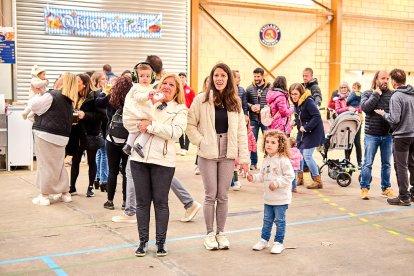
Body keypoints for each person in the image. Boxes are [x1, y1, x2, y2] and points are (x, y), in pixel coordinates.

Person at [123, 73, 188, 257]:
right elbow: (133, 123)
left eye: (172, 85)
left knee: (160, 203)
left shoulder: (181, 109)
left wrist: (151, 126)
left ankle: (161, 242)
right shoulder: (148, 102)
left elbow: (175, 132)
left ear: (177, 90)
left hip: (163, 162)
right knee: (142, 203)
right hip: (138, 159)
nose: (167, 86)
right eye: (164, 83)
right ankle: (142, 242)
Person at [187, 63, 249, 250]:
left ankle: (221, 232)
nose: (219, 79)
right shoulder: (201, 100)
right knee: (210, 195)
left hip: (227, 154)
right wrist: (202, 141)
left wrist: (244, 158)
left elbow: (240, 132)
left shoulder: (235, 101)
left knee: (223, 196)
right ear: (211, 78)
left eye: (223, 75)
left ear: (229, 78)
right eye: (216, 75)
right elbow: (190, 125)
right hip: (207, 152)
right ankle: (209, 234)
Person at [31, 72, 77, 205]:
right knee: (59, 166)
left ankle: (44, 195)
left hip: (45, 134)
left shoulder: (52, 95)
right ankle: (65, 193)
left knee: (45, 165)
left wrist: (38, 93)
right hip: (62, 136)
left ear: (63, 81)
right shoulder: (69, 99)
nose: (57, 78)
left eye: (60, 76)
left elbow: (35, 107)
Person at [247, 130, 294, 254]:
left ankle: (278, 242)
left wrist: (277, 183)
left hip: (281, 199)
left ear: (280, 145)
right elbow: (262, 175)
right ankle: (264, 240)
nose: (269, 144)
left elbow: (290, 176)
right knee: (267, 220)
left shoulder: (283, 160)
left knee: (279, 221)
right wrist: (253, 178)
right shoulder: (266, 159)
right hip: (268, 198)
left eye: (273, 142)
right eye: (267, 142)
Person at [375, 69, 414, 206]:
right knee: (412, 164)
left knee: (402, 167)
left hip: (402, 137)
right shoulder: (412, 94)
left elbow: (394, 119)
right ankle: (413, 192)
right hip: (413, 134)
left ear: (394, 81)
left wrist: (383, 114)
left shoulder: (397, 96)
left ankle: (404, 196)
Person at [95, 75, 132, 210]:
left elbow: (98, 102)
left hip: (112, 138)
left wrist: (105, 91)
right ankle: (125, 202)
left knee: (113, 171)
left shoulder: (111, 97)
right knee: (127, 172)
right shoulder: (132, 99)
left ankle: (110, 201)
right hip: (128, 139)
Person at [66, 73, 106, 197]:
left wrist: (86, 115)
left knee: (91, 160)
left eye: (77, 82)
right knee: (75, 160)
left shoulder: (95, 96)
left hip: (91, 133)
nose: (75, 84)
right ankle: (72, 187)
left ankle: (90, 187)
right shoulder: (73, 96)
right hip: (76, 133)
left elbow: (102, 115)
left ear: (84, 84)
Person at [359, 71, 395, 200]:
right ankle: (364, 188)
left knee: (386, 164)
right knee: (368, 163)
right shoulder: (368, 93)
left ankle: (386, 188)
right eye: (383, 78)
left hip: (387, 136)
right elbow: (365, 108)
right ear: (376, 80)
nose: (385, 81)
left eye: (387, 78)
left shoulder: (392, 94)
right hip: (371, 135)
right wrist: (376, 94)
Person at [290, 83, 325, 189]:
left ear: (301, 93)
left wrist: (306, 127)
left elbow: (317, 117)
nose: (293, 96)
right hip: (303, 132)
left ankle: (317, 181)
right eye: (291, 94)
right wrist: (294, 122)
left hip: (313, 132)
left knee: (307, 156)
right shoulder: (297, 103)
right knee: (298, 155)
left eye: (295, 94)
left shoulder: (308, 102)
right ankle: (300, 179)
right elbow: (301, 117)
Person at [122, 63, 160, 158]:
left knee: (134, 131)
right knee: (149, 130)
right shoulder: (136, 87)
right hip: (137, 115)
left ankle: (128, 145)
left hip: (139, 115)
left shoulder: (148, 88)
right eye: (142, 76)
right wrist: (148, 95)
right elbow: (139, 97)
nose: (145, 78)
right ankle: (139, 145)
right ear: (135, 77)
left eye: (148, 76)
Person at [246, 67, 272, 170]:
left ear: (263, 76)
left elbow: (271, 103)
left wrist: (260, 108)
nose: (256, 78)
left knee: (268, 140)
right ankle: (253, 163)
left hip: (266, 119)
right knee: (253, 141)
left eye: (258, 76)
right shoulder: (249, 88)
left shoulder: (270, 88)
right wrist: (251, 107)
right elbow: (245, 103)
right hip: (253, 119)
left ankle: (268, 162)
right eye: (255, 76)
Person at [334, 81, 363, 168]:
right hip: (345, 122)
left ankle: (359, 162)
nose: (343, 89)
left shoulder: (354, 95)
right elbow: (337, 110)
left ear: (348, 88)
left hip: (356, 121)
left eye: (345, 87)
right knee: (347, 142)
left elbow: (360, 105)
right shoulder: (338, 100)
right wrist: (348, 108)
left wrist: (357, 109)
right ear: (339, 89)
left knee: (357, 142)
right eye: (341, 87)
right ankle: (347, 160)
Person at [91, 72, 109, 192]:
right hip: (101, 125)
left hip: (99, 126)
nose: (105, 80)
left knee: (100, 152)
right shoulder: (98, 93)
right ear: (97, 81)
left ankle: (97, 178)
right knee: (104, 153)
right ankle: (104, 180)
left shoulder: (98, 92)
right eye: (102, 79)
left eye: (105, 78)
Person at [178, 72, 195, 156]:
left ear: (185, 79)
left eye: (183, 77)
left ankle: (185, 148)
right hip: (179, 112)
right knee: (179, 129)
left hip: (187, 111)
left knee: (187, 130)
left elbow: (193, 102)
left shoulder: (189, 90)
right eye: (180, 77)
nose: (181, 79)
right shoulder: (177, 89)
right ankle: (181, 147)